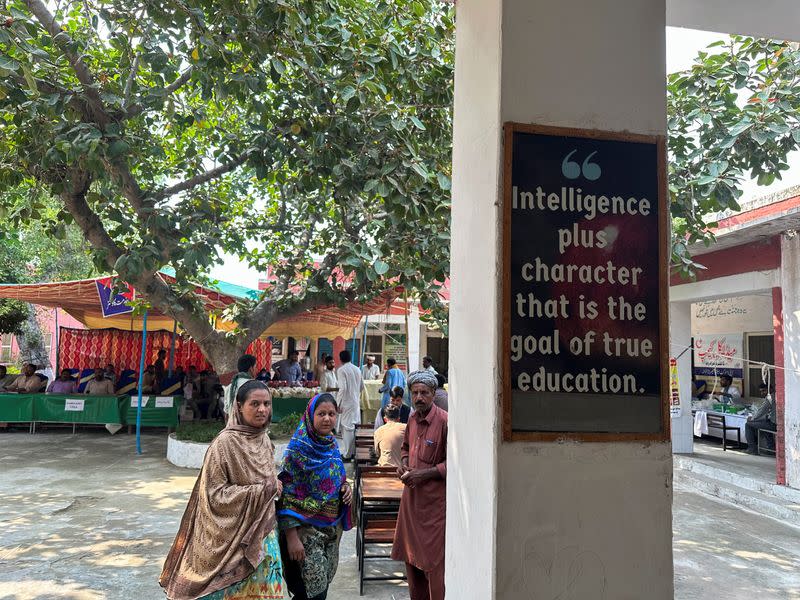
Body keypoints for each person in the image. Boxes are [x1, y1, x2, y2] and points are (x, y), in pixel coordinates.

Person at [160, 380, 284, 599]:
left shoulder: (264, 439)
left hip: (263, 536)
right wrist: (263, 490)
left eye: (266, 403)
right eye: (254, 404)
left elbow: (270, 482)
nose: (262, 409)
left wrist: (272, 488)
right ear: (238, 406)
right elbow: (214, 496)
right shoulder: (224, 444)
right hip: (230, 544)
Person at [277, 393, 353, 600]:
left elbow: (336, 478)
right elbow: (286, 496)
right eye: (321, 414)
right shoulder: (297, 450)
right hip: (305, 533)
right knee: (311, 593)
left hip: (331, 531)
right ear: (310, 416)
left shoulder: (331, 444)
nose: (327, 418)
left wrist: (345, 487)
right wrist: (292, 537)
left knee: (321, 588)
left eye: (331, 413)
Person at [392, 370, 447, 600]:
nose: (419, 397)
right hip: (410, 503)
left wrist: (424, 475)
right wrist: (404, 465)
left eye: (424, 392)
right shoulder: (412, 419)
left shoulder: (445, 421)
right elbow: (405, 448)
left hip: (434, 508)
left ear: (433, 394)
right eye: (415, 393)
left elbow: (454, 463)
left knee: (434, 568)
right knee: (411, 562)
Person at [335, 350, 363, 460]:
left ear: (340, 359)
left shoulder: (341, 370)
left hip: (347, 402)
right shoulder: (357, 369)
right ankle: (353, 453)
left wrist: (337, 403)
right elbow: (361, 386)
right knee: (354, 427)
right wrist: (355, 394)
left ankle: (347, 454)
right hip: (355, 402)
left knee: (347, 428)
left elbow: (343, 388)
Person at [746, 383, 777, 455]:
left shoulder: (770, 398)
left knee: (748, 424)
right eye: (761, 391)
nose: (762, 393)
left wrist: (752, 418)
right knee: (764, 422)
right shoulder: (777, 395)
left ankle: (752, 449)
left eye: (764, 391)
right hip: (776, 423)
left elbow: (762, 411)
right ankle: (771, 448)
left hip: (775, 424)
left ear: (770, 389)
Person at [373, 404, 406, 469]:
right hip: (403, 470)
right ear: (398, 419)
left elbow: (377, 453)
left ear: (385, 419)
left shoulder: (378, 431)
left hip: (384, 469)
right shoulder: (406, 428)